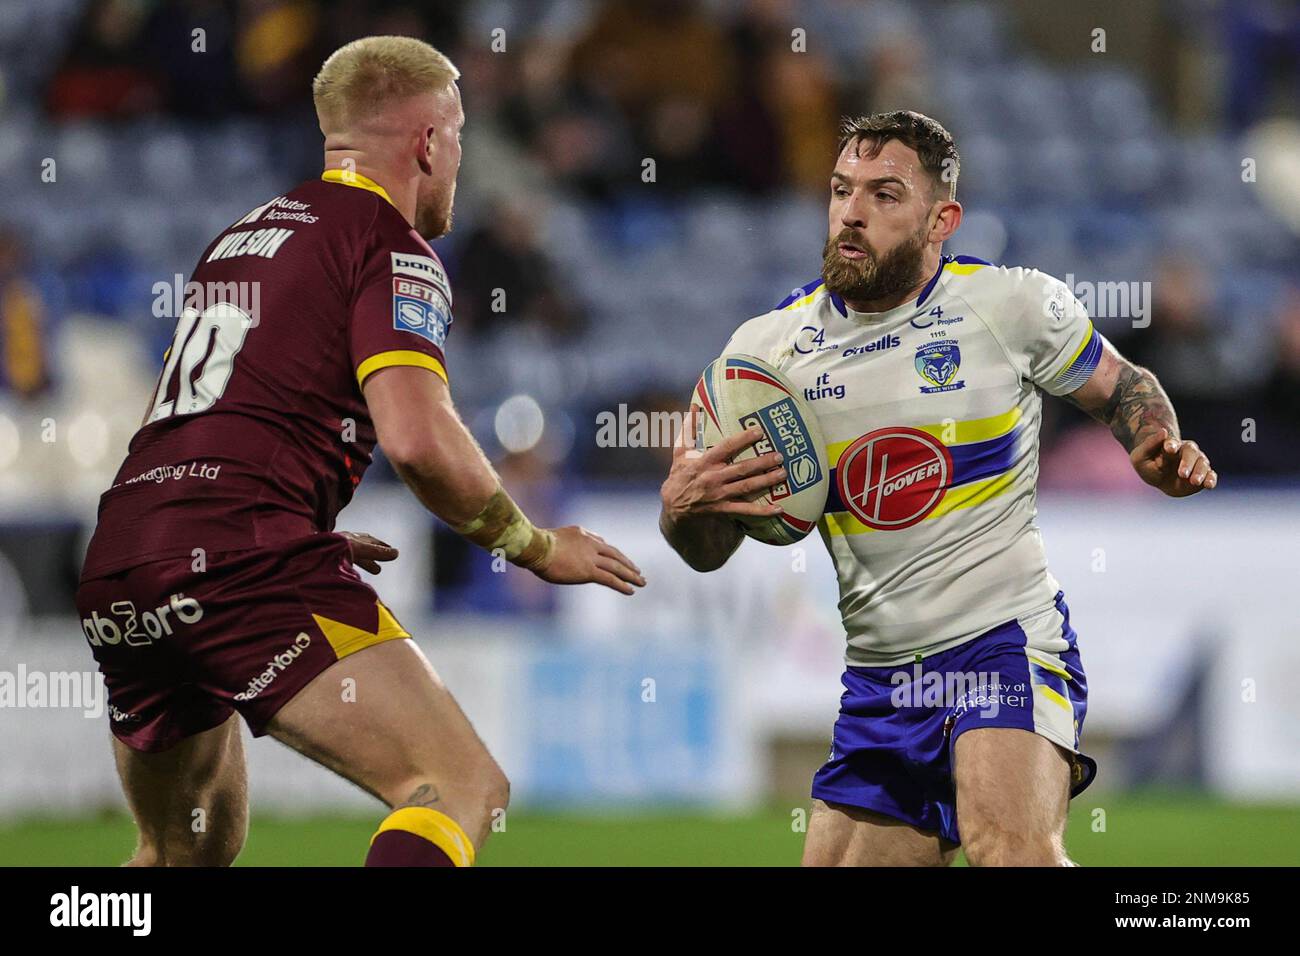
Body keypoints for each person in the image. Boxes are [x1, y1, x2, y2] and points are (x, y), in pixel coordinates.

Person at [75, 36, 644, 868]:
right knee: (456, 785)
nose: (459, 160)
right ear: (427, 142)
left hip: (125, 561)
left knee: (177, 854)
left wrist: (298, 520)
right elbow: (418, 441)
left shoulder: (241, 237)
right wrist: (533, 544)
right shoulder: (388, 244)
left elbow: (219, 418)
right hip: (238, 557)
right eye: (458, 139)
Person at [659, 110, 1215, 866]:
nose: (852, 213)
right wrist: (681, 513)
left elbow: (1125, 386)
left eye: (885, 195)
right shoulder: (763, 356)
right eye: (840, 190)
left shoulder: (1010, 306)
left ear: (940, 220)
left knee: (1009, 849)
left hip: (1003, 644)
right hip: (881, 683)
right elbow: (708, 547)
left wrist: (1153, 440)